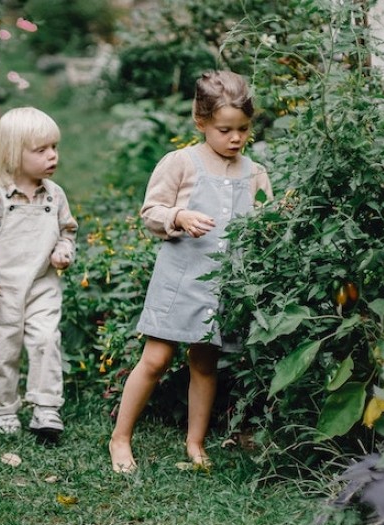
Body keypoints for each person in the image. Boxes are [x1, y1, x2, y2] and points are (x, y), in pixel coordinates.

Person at [108, 71, 273, 473]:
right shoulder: (181, 162)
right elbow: (151, 212)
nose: (235, 138)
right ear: (201, 123)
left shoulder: (254, 172)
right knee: (156, 359)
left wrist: (274, 220)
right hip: (181, 277)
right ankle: (120, 437)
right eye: (225, 130)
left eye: (243, 129)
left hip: (225, 285)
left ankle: (195, 442)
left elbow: (263, 220)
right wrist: (178, 215)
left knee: (205, 362)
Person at [0, 106, 78, 440]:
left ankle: (45, 407)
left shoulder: (54, 196)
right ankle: (5, 408)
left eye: (54, 147)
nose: (52, 156)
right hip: (2, 289)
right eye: (41, 150)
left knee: (45, 340)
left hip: (42, 282)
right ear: (13, 154)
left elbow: (68, 231)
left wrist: (62, 251)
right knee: (2, 351)